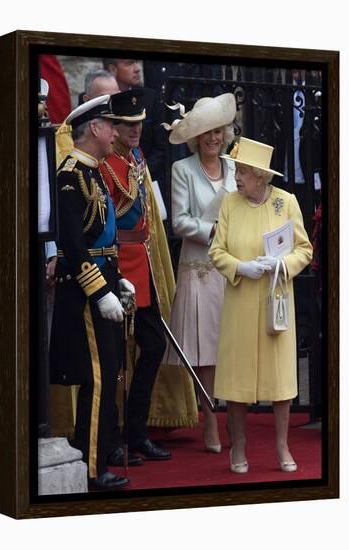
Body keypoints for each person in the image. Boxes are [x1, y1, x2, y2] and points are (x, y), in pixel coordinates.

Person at [99, 89, 198, 463]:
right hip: (120, 266)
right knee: (116, 359)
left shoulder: (137, 156)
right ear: (115, 127)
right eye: (128, 125)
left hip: (145, 263)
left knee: (153, 345)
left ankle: (136, 431)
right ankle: (113, 437)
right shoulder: (106, 164)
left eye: (139, 124)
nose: (136, 131)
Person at [209, 137, 313, 473]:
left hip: (275, 300)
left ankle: (282, 446)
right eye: (236, 170)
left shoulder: (287, 202)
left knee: (280, 380)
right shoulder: (229, 203)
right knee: (238, 379)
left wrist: (280, 266)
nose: (236, 176)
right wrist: (241, 267)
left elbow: (305, 250)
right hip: (240, 301)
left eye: (241, 170)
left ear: (260, 175)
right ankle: (238, 446)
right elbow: (216, 251)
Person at [49, 95, 136, 491]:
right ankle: (91, 468)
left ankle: (100, 454)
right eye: (111, 124)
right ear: (95, 129)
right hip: (85, 295)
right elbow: (70, 240)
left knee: (108, 372)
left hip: (103, 284)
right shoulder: (69, 175)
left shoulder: (96, 171)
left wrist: (116, 279)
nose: (117, 131)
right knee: (97, 379)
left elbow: (102, 236)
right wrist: (99, 291)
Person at [162, 93, 237, 453]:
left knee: (232, 346)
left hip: (233, 269)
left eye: (218, 131)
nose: (213, 137)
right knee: (206, 350)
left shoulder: (237, 168)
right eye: (206, 131)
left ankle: (234, 416)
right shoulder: (183, 170)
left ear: (226, 133)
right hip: (200, 269)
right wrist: (214, 230)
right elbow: (178, 222)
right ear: (196, 137)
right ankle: (210, 419)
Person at [103, 59, 166, 187]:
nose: (137, 68)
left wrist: (139, 175)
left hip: (145, 178)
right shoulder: (97, 99)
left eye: (137, 62)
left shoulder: (150, 97)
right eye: (130, 63)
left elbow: (161, 146)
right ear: (113, 69)